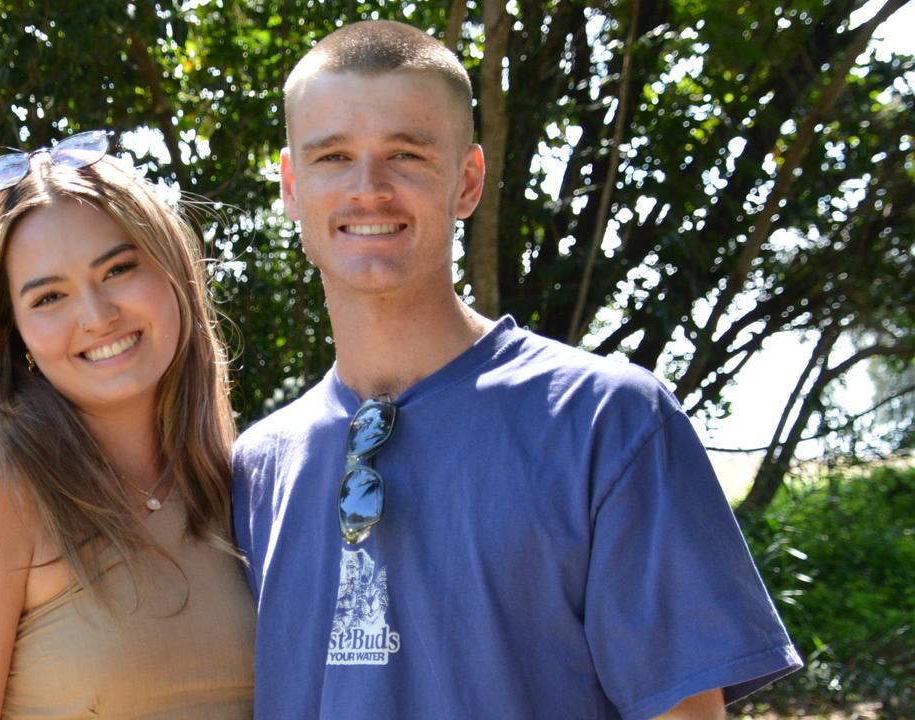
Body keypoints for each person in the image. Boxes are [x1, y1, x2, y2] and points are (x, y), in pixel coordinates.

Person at [231, 20, 803, 720]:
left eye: (406, 155)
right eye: (333, 158)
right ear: (291, 187)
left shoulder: (604, 421)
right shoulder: (256, 469)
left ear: (467, 181)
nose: (368, 187)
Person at [0, 130, 254, 719]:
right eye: (49, 298)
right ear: (15, 334)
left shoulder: (243, 481)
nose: (96, 316)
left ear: (174, 271)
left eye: (118, 270)